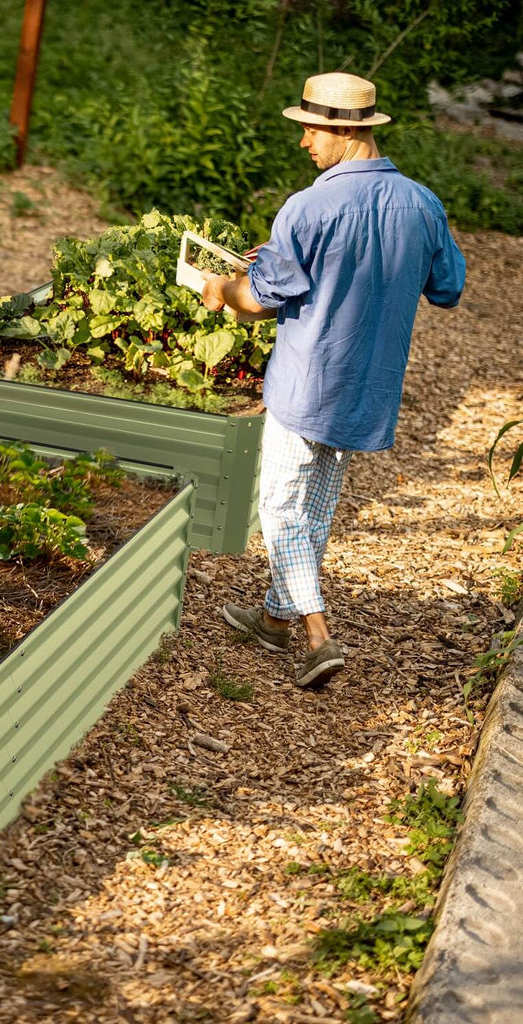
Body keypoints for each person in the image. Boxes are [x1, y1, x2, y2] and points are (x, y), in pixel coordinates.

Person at [200, 71, 466, 688]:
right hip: (367, 390)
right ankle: (273, 620)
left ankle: (319, 637)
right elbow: (447, 288)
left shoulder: (309, 206)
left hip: (306, 384)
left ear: (345, 130)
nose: (304, 143)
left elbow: (262, 299)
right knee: (314, 510)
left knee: (280, 513)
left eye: (311, 130)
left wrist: (221, 288)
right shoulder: (423, 203)